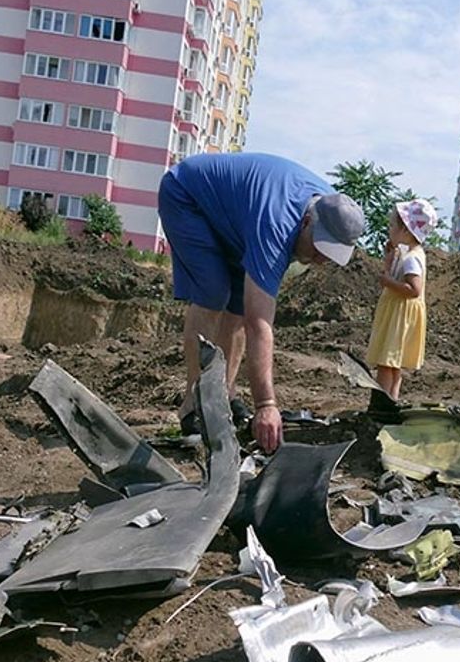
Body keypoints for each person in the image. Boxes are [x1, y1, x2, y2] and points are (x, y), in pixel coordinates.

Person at [157, 152, 364, 453]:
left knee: (238, 305)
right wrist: (266, 404)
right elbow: (260, 324)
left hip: (237, 219)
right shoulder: (277, 224)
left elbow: (246, 315)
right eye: (319, 248)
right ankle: (195, 404)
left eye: (330, 255)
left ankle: (221, 400)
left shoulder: (334, 211)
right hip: (188, 196)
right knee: (214, 292)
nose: (320, 260)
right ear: (306, 222)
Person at [366, 198, 437, 400]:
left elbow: (414, 289)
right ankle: (391, 403)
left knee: (386, 364)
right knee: (393, 365)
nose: (389, 230)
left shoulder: (412, 258)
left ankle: (380, 405)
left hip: (400, 316)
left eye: (392, 225)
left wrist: (387, 281)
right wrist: (388, 264)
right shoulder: (408, 254)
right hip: (398, 314)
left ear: (406, 230)